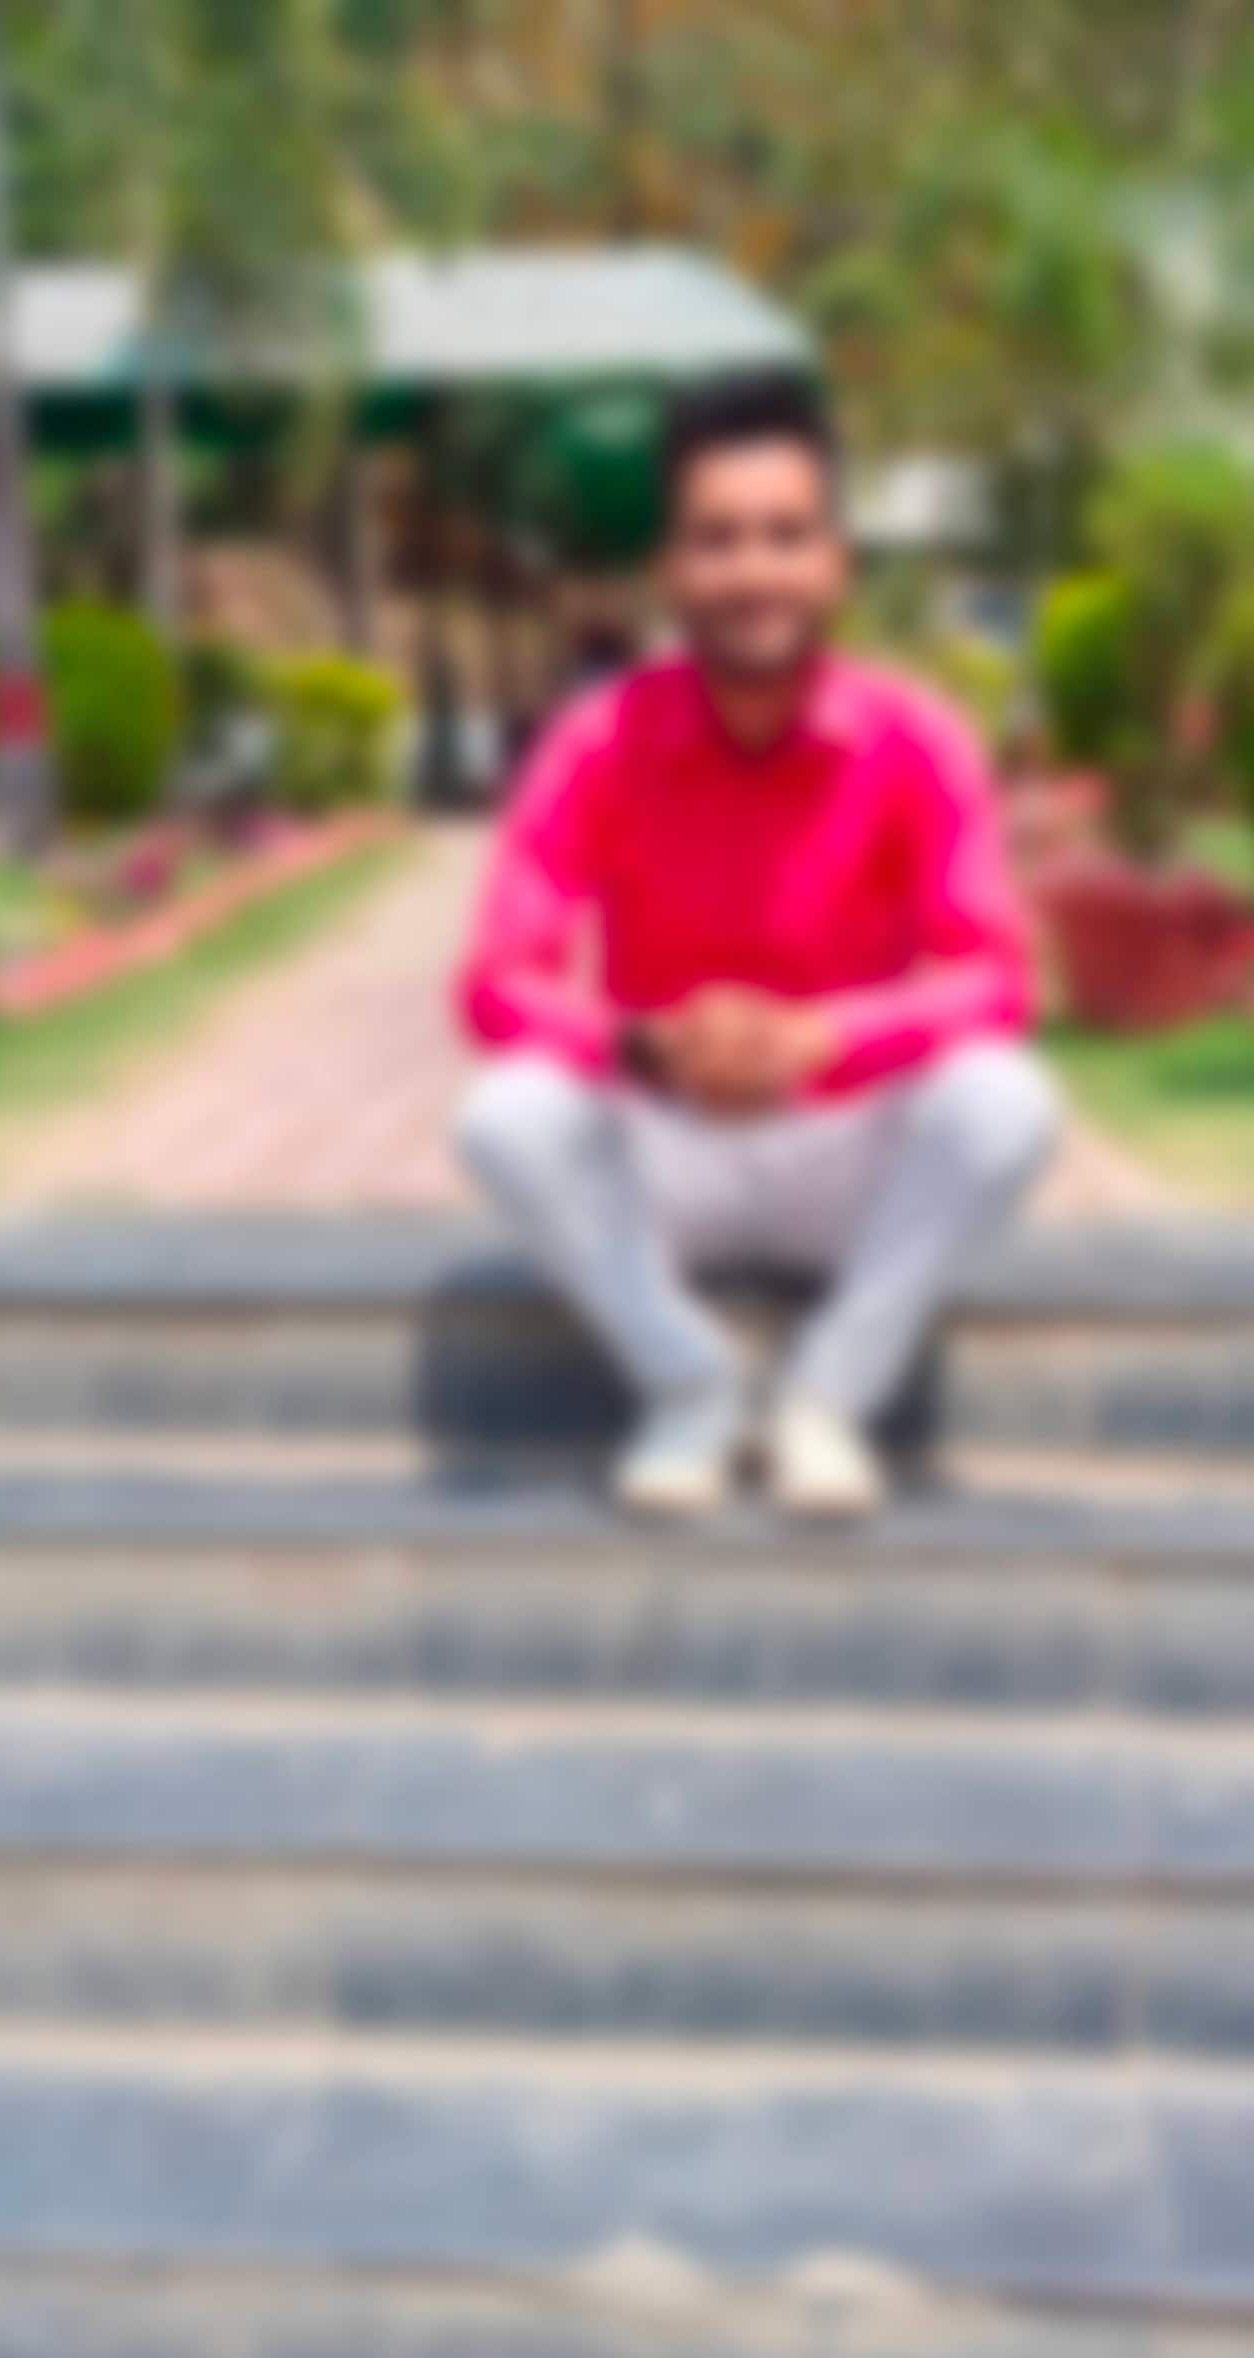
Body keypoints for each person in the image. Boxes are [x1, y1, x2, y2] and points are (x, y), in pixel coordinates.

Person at [453, 376, 1058, 1518]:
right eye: (718, 540)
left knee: (1006, 1103)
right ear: (671, 573)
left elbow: (997, 978)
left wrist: (827, 1037)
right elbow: (496, 982)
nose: (753, 571)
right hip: (667, 1151)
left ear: (837, 564)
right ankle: (690, 1385)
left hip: (846, 1151)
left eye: (786, 536)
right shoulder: (598, 740)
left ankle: (826, 1398)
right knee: (503, 1116)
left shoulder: (917, 739)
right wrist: (646, 1044)